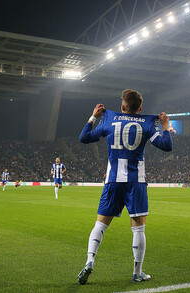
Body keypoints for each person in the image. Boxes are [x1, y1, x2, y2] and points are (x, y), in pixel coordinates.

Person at [77, 89, 172, 284]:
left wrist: (93, 117)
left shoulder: (109, 121)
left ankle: (89, 261)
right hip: (135, 182)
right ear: (141, 108)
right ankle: (137, 273)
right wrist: (166, 126)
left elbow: (83, 137)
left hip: (112, 180)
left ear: (122, 107)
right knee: (138, 229)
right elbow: (166, 145)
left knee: (100, 225)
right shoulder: (147, 125)